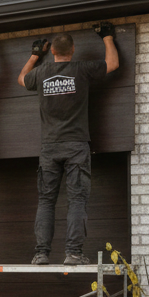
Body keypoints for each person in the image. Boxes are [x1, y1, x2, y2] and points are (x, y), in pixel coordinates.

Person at [17, 23, 119, 265]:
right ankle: (73, 253)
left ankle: (41, 253)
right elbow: (113, 64)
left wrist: (34, 56)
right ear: (73, 50)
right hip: (76, 146)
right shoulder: (81, 69)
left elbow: (21, 79)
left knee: (46, 200)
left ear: (52, 51)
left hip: (49, 147)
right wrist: (107, 37)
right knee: (77, 200)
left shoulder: (41, 73)